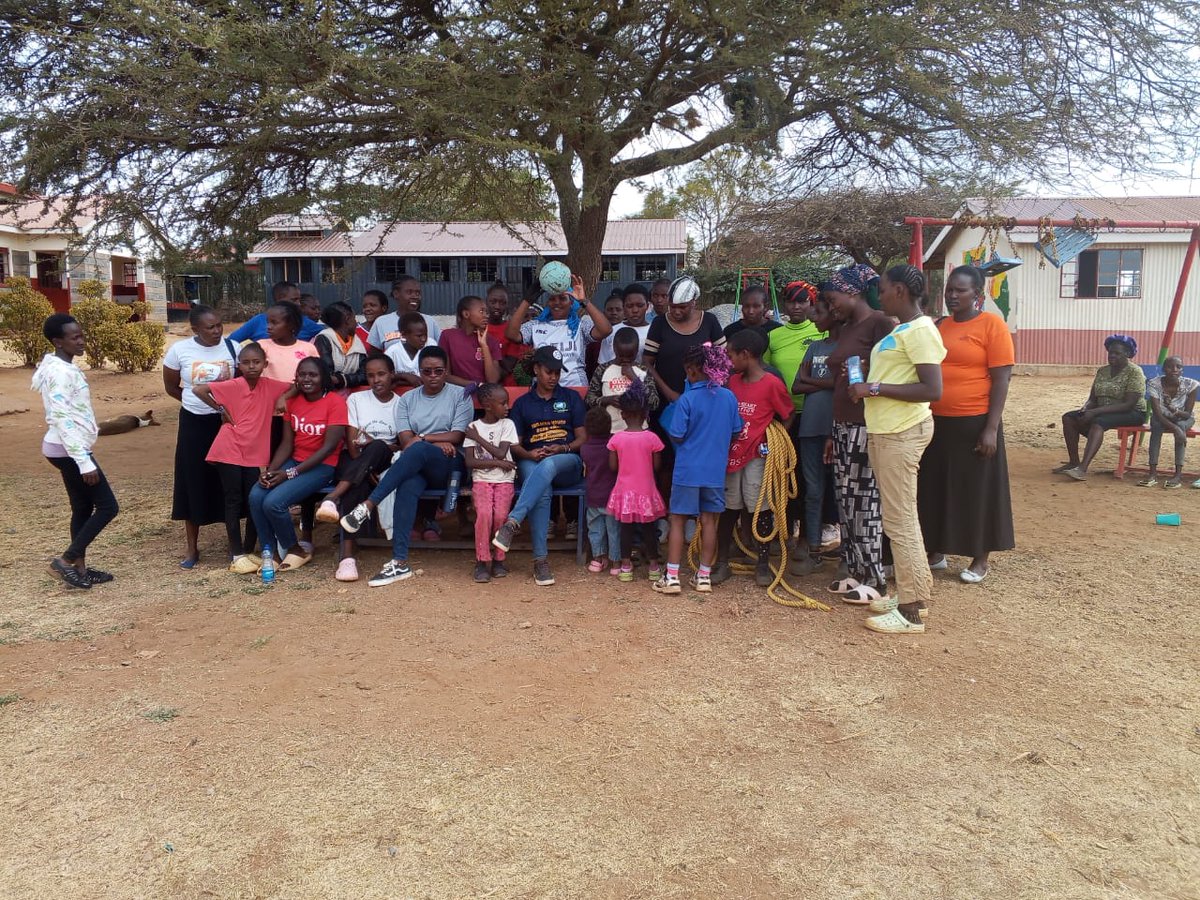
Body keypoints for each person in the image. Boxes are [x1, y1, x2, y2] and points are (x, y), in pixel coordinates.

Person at [849, 265, 946, 635]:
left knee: (900, 520)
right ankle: (914, 593)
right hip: (887, 430)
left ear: (901, 291)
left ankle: (910, 613)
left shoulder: (921, 331)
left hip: (900, 432)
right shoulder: (903, 329)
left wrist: (873, 388)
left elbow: (931, 389)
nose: (880, 295)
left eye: (885, 289)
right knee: (899, 517)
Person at [339, 346, 473, 586]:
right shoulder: (409, 399)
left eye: (438, 371)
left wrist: (424, 439)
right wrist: (431, 441)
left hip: (451, 465)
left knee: (419, 449)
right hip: (419, 466)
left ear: (446, 371)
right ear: (419, 372)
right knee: (408, 485)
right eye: (427, 371)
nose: (432, 376)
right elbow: (404, 440)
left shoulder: (460, 395)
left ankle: (368, 505)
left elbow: (457, 437)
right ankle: (399, 562)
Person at [918, 265, 1015, 583]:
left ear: (978, 294)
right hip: (937, 422)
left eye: (960, 290)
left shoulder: (992, 325)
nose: (952, 295)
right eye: (949, 289)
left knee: (977, 491)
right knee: (936, 487)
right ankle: (937, 550)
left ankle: (980, 558)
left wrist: (991, 428)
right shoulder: (938, 325)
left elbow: (1001, 379)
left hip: (975, 423)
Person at [33, 313, 119, 590]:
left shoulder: (61, 365)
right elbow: (61, 417)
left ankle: (79, 570)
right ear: (58, 342)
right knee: (108, 507)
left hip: (63, 447)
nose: (82, 341)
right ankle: (67, 561)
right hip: (68, 449)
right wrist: (84, 462)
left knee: (82, 507)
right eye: (75, 338)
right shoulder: (59, 372)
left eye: (81, 335)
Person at [490, 347, 588, 587]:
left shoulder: (571, 398)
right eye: (548, 372)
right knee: (541, 487)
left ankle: (512, 523)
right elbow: (515, 444)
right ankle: (541, 561)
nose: (553, 377)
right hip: (531, 458)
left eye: (557, 372)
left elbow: (582, 439)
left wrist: (563, 448)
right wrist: (530, 453)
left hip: (566, 461)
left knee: (548, 464)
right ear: (536, 370)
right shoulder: (523, 404)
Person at [825, 263, 894, 604]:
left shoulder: (880, 323)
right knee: (845, 501)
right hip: (842, 424)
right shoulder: (848, 326)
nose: (831, 304)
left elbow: (894, 367)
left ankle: (876, 580)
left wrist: (870, 376)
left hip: (866, 425)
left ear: (852, 291)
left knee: (865, 502)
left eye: (833, 297)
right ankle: (855, 571)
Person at [193, 342, 292, 573]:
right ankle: (236, 553)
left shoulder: (270, 385)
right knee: (233, 499)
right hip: (229, 446)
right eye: (246, 363)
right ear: (239, 365)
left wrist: (283, 398)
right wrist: (220, 410)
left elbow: (294, 387)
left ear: (265, 365)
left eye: (256, 362)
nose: (251, 367)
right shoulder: (234, 384)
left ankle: (248, 549)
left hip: (253, 452)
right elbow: (199, 390)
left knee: (254, 499)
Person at [653, 344, 742, 595]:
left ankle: (671, 576)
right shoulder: (728, 397)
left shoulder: (687, 399)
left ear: (692, 370)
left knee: (678, 519)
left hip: (687, 469)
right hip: (715, 471)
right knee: (710, 520)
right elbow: (736, 430)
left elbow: (677, 434)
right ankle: (704, 576)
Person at [247, 357, 347, 571]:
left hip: (322, 466)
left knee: (273, 503)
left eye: (313, 374)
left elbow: (328, 448)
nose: (306, 379)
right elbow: (287, 443)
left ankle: (296, 549)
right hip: (296, 460)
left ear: (323, 378)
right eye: (302, 374)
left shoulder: (335, 402)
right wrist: (271, 470)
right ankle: (270, 551)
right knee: (257, 494)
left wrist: (290, 473)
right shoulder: (292, 402)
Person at [713, 328, 794, 587]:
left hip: (758, 458)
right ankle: (722, 562)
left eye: (731, 356)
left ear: (746, 355)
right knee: (728, 508)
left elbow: (787, 414)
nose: (728, 361)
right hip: (731, 455)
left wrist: (774, 439)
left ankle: (762, 564)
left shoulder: (772, 384)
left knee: (761, 508)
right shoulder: (732, 383)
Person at [313, 354, 402, 581]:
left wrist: (375, 449)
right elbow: (353, 447)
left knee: (380, 445)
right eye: (371, 376)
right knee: (357, 482)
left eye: (381, 374)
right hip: (358, 461)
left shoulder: (401, 403)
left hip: (385, 459)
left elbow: (400, 444)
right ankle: (347, 559)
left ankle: (332, 498)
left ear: (392, 374)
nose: (376, 380)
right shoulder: (356, 399)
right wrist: (367, 468)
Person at [162, 304, 239, 568]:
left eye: (219, 325)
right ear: (195, 329)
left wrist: (224, 409)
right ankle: (192, 549)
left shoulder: (233, 348)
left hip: (225, 424)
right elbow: (172, 387)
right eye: (210, 327)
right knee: (192, 480)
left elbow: (240, 384)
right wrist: (195, 404)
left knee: (228, 481)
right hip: (193, 425)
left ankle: (234, 544)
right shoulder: (179, 351)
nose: (217, 331)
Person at [790, 293, 840, 576]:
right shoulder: (815, 347)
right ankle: (813, 551)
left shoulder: (848, 346)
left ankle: (848, 555)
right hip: (810, 427)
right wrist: (827, 383)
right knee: (812, 491)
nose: (812, 316)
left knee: (842, 491)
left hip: (839, 428)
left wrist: (812, 380)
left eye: (818, 312)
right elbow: (797, 386)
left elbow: (846, 385)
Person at [1057, 334, 1147, 481]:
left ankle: (1082, 469)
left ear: (1128, 354)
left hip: (1132, 412)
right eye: (1110, 352)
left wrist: (1095, 412)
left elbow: (1129, 404)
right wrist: (1085, 408)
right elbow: (1093, 398)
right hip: (1102, 410)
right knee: (1069, 418)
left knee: (1099, 422)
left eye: (1117, 353)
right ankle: (1073, 461)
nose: (1112, 356)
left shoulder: (1135, 372)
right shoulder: (1103, 371)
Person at [506, 271, 613, 388]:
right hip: (542, 391)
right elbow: (511, 335)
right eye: (552, 299)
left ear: (571, 302)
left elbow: (606, 330)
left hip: (575, 388)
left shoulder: (581, 324)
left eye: (562, 298)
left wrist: (584, 301)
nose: (557, 303)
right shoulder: (535, 325)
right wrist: (527, 301)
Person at [607, 380, 666, 582]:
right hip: (646, 491)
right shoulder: (652, 438)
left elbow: (613, 467)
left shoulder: (616, 439)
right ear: (645, 415)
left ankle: (625, 566)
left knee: (626, 529)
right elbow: (656, 467)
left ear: (622, 414)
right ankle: (654, 566)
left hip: (624, 491)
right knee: (650, 529)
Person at [463, 383, 518, 583]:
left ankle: (498, 559)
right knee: (485, 515)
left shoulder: (507, 424)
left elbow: (502, 452)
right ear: (487, 405)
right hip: (482, 480)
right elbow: (470, 461)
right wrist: (498, 463)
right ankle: (482, 560)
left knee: (501, 516)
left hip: (504, 480)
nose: (507, 407)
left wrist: (478, 439)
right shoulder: (473, 427)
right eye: (502, 403)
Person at [586, 326, 660, 433]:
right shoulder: (603, 369)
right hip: (610, 431)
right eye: (621, 355)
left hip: (639, 431)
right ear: (614, 349)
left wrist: (635, 379)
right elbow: (589, 399)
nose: (625, 359)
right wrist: (607, 400)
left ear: (637, 350)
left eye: (630, 356)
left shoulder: (642, 370)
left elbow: (654, 403)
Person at [1140, 355, 1198, 488]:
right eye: (1170, 367)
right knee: (1156, 426)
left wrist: (1174, 411)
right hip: (1162, 417)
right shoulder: (1154, 383)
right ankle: (1152, 473)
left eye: (1179, 367)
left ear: (1182, 370)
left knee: (1181, 425)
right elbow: (1157, 414)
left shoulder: (1191, 385)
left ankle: (1178, 475)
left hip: (1183, 418)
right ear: (1163, 369)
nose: (1174, 369)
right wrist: (1175, 429)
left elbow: (1187, 414)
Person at [579, 406, 621, 575]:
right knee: (614, 530)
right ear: (610, 425)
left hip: (593, 496)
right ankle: (616, 563)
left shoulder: (584, 448)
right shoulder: (614, 445)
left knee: (595, 529)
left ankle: (597, 559)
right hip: (612, 498)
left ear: (587, 428)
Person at [366, 275, 442, 351]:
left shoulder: (430, 321)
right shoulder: (381, 322)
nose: (415, 296)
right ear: (396, 294)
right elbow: (374, 355)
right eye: (409, 292)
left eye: (418, 293)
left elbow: (441, 351)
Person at [229, 281, 323, 342]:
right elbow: (231, 342)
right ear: (279, 299)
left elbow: (329, 334)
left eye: (299, 299)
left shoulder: (304, 322)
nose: (298, 304)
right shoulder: (258, 321)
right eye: (294, 300)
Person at [440, 295, 502, 387]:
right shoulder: (448, 336)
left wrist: (484, 345)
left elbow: (492, 380)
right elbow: (445, 375)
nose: (486, 316)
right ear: (466, 314)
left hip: (484, 396)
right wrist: (475, 385)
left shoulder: (492, 341)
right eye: (481, 311)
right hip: (457, 394)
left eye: (486, 312)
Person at [313, 301, 367, 393]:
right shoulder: (324, 338)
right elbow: (327, 375)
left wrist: (340, 379)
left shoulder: (357, 342)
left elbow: (365, 375)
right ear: (347, 319)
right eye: (354, 318)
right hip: (329, 394)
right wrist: (351, 378)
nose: (356, 322)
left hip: (352, 394)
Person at [259, 301, 318, 383]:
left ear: (291, 324)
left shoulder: (308, 348)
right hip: (270, 395)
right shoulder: (261, 346)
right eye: (268, 322)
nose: (268, 327)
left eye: (274, 323)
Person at [597, 284, 653, 366]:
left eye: (640, 305)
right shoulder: (611, 332)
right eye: (630, 306)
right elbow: (603, 365)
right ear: (623, 307)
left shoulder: (654, 331)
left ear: (647, 306)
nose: (635, 310)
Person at [484, 282, 524, 384]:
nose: (497, 306)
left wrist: (493, 347)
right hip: (480, 385)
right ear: (486, 302)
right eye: (493, 302)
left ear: (507, 305)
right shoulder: (478, 328)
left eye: (502, 303)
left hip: (507, 387)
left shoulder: (511, 331)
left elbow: (509, 366)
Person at [385, 311, 434, 387]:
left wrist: (399, 382)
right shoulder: (392, 352)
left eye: (425, 334)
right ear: (404, 334)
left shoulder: (431, 345)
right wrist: (404, 376)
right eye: (419, 336)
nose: (424, 339)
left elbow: (432, 377)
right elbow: (384, 377)